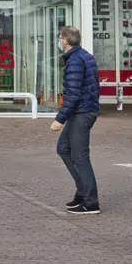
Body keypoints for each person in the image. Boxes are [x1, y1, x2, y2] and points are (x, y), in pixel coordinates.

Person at [50, 26, 101, 215]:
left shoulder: (75, 61)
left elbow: (73, 93)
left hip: (81, 112)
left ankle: (90, 202)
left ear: (65, 40)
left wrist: (59, 119)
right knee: (63, 149)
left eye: (59, 37)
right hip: (82, 111)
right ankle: (82, 193)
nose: (58, 41)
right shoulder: (83, 56)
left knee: (79, 157)